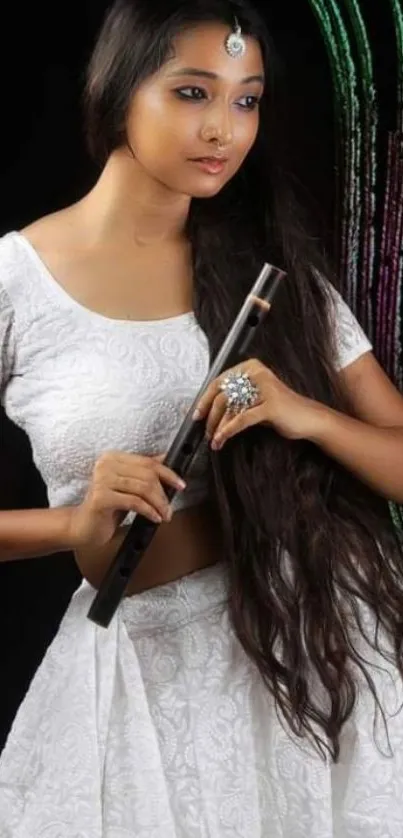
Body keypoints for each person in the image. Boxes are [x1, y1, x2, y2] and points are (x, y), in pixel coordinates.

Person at [0, 0, 403, 834]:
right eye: (192, 93)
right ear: (117, 89)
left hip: (309, 659)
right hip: (136, 675)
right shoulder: (14, 281)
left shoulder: (275, 273)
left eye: (245, 100)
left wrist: (302, 416)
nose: (223, 129)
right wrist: (72, 522)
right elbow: (71, 528)